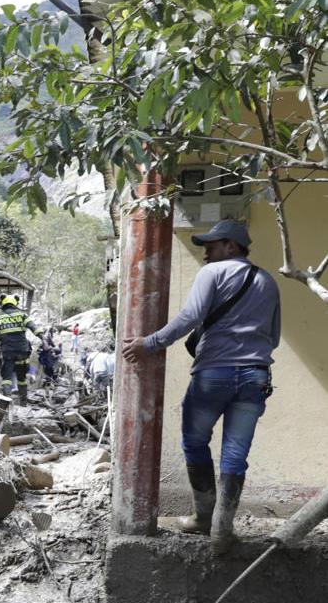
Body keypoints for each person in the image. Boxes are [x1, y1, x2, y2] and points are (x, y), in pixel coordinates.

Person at [120, 219, 281, 550]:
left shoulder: (212, 273)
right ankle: (223, 531)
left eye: (212, 244)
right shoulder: (268, 282)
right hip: (256, 375)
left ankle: (203, 519)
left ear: (231, 247)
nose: (206, 250)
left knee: (194, 442)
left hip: (214, 374)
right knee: (235, 454)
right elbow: (274, 337)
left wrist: (148, 344)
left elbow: (191, 317)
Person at [0, 295, 36, 401]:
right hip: (22, 352)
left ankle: (7, 402)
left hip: (8, 353)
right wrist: (43, 337)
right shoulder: (22, 315)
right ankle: (23, 402)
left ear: (3, 303)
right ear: (16, 303)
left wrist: (1, 338)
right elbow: (34, 328)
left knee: (6, 379)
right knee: (21, 378)